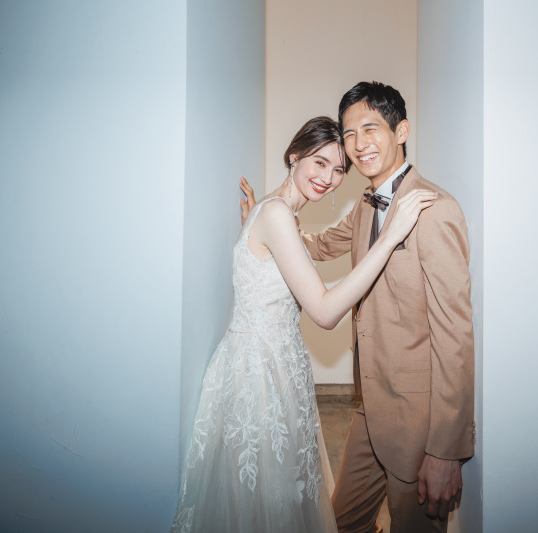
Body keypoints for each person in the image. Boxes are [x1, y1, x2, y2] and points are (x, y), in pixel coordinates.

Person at [171, 116, 437, 533]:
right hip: (259, 375)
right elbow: (325, 313)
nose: (328, 179)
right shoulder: (276, 214)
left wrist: (256, 219)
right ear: (294, 156)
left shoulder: (277, 213)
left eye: (338, 170)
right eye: (319, 162)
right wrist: (389, 238)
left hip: (278, 366)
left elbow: (277, 256)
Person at [240, 82, 474, 533]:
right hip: (368, 406)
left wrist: (445, 451)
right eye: (349, 133)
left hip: (417, 419)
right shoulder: (366, 204)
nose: (358, 143)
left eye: (371, 128)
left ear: (401, 131)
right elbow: (319, 244)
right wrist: (264, 223)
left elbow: (455, 336)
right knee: (341, 521)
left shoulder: (435, 209)